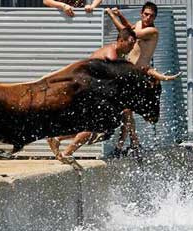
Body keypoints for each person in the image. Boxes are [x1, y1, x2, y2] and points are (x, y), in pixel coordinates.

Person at [46, 28, 137, 165]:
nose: (131, 47)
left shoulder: (117, 55)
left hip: (88, 90)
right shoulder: (111, 56)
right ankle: (67, 153)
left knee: (94, 127)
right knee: (93, 127)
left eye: (133, 44)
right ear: (120, 41)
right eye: (130, 44)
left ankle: (57, 138)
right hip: (86, 90)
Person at [105, 2, 160, 158]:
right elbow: (130, 29)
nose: (148, 17)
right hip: (130, 74)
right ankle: (132, 144)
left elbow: (128, 34)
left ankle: (126, 144)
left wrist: (112, 15)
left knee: (127, 109)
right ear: (141, 13)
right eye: (146, 14)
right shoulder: (138, 25)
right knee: (126, 110)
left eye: (152, 15)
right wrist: (121, 16)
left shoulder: (153, 31)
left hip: (140, 75)